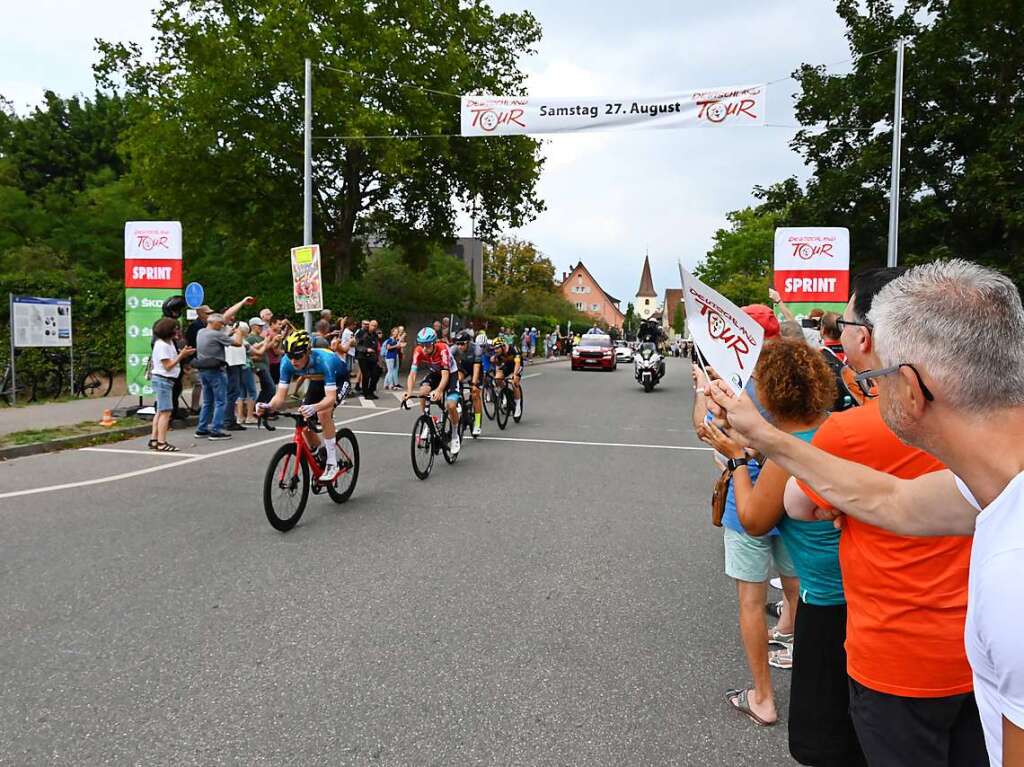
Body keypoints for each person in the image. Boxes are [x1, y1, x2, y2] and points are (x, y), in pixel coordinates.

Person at [708, 264, 991, 766]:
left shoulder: (850, 434)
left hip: (890, 649)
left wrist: (752, 448)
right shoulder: (980, 428)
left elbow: (798, 505)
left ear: (868, 338)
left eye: (846, 324)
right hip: (976, 647)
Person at [698, 340, 865, 765]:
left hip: (826, 599)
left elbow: (754, 518)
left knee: (820, 731)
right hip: (866, 587)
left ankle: (763, 699)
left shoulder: (786, 452)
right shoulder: (840, 427)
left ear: (770, 393)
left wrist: (737, 459)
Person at [258, 330, 350, 482]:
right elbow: (280, 398)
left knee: (323, 413)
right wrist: (268, 407)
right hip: (317, 380)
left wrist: (315, 407)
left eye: (298, 356)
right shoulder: (286, 362)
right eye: (290, 355)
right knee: (304, 419)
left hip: (339, 380)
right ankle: (316, 455)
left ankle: (333, 463)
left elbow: (330, 398)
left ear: (308, 352)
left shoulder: (325, 360)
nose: (293, 361)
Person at [403, 327, 460, 455]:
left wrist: (439, 390)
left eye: (427, 345)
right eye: (421, 345)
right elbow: (412, 374)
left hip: (450, 374)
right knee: (423, 392)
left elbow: (445, 375)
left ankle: (455, 435)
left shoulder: (443, 349)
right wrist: (408, 391)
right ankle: (427, 419)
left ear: (434, 343)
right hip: (435, 373)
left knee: (450, 406)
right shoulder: (418, 351)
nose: (424, 348)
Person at [194, 312, 246, 440]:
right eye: (221, 323)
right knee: (220, 401)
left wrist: (229, 333)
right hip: (216, 370)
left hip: (203, 370)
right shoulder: (216, 334)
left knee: (207, 401)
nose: (223, 325)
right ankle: (216, 430)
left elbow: (217, 339)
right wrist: (239, 332)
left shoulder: (201, 332)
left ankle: (202, 428)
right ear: (213, 322)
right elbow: (238, 343)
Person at [149, 318, 194, 452]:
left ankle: (154, 439)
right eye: (175, 328)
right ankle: (162, 442)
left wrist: (183, 354)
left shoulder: (168, 343)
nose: (177, 331)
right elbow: (168, 365)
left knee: (160, 411)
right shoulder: (161, 345)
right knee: (165, 412)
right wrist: (182, 355)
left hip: (166, 380)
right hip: (163, 380)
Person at [452, 329, 483, 437]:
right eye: (458, 344)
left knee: (475, 394)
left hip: (475, 368)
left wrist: (474, 384)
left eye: (462, 344)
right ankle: (460, 401)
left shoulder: (476, 349)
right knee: (457, 380)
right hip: (464, 368)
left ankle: (478, 423)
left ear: (468, 342)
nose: (460, 346)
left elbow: (476, 367)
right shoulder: (455, 348)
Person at [490, 336, 523, 419]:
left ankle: (518, 406)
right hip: (508, 366)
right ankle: (505, 394)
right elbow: (498, 367)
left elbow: (517, 363)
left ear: (503, 346)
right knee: (497, 379)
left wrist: (515, 374)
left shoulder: (513, 349)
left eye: (497, 348)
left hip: (517, 365)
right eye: (494, 349)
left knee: (514, 382)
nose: (495, 350)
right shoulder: (498, 354)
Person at [246, 317, 276, 404]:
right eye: (259, 326)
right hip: (260, 367)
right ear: (253, 326)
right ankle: (259, 407)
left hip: (264, 366)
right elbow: (249, 354)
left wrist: (274, 340)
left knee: (266, 388)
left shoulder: (259, 337)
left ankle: (260, 408)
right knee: (271, 388)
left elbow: (266, 347)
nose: (261, 328)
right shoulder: (250, 338)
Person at [355, 319, 382, 399]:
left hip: (372, 357)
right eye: (373, 325)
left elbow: (376, 346)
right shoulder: (362, 333)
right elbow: (357, 345)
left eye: (376, 326)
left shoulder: (375, 335)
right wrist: (366, 349)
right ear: (369, 325)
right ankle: (366, 393)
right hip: (363, 357)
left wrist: (377, 358)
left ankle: (371, 391)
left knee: (376, 373)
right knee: (366, 375)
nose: (374, 327)